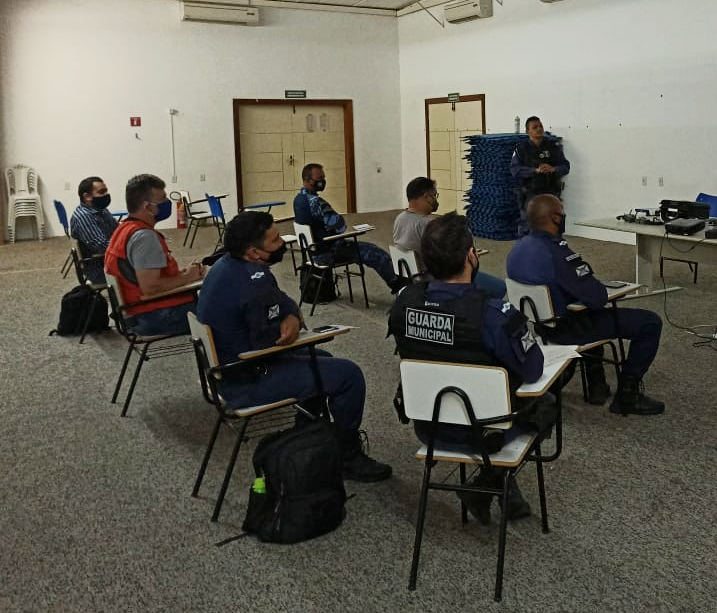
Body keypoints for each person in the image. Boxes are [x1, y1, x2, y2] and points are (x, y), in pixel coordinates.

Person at [196, 211, 391, 482]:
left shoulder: (227, 264)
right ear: (254, 252)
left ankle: (309, 434)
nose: (283, 243)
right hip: (247, 377)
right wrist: (295, 322)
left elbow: (282, 299)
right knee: (348, 375)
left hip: (227, 369)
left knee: (322, 357)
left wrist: (291, 315)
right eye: (275, 240)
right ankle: (347, 455)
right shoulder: (254, 282)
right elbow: (271, 340)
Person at [389, 212, 548, 523]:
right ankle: (485, 485)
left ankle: (494, 484)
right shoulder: (493, 315)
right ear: (471, 256)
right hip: (486, 430)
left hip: (428, 424)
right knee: (546, 404)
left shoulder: (403, 304)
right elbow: (533, 369)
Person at [506, 194, 665, 415]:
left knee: (590, 314)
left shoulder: (518, 249)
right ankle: (627, 396)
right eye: (561, 213)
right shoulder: (558, 254)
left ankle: (597, 387)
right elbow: (597, 297)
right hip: (567, 329)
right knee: (649, 322)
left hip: (540, 326)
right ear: (554, 217)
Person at [104, 173, 203, 336]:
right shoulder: (145, 238)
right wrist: (188, 278)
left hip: (137, 312)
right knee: (225, 308)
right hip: (153, 316)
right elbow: (151, 288)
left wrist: (182, 274)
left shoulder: (124, 229)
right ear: (147, 207)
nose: (167, 203)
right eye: (163, 200)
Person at [293, 163, 403, 294]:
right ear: (308, 180)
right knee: (375, 254)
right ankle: (400, 288)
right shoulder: (316, 202)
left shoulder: (298, 199)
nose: (322, 180)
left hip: (313, 252)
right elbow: (340, 226)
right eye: (320, 177)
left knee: (368, 249)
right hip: (327, 251)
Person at [392, 176, 506, 300]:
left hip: (411, 276)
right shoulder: (429, 225)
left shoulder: (400, 218)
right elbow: (447, 258)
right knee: (500, 288)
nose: (435, 199)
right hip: (434, 277)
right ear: (426, 196)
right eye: (434, 195)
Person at [510, 116, 569, 237]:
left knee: (555, 225)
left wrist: (554, 169)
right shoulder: (521, 149)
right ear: (528, 131)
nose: (539, 129)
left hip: (551, 193)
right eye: (535, 127)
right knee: (528, 227)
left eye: (540, 126)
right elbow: (515, 170)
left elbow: (565, 167)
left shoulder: (553, 146)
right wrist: (535, 171)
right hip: (530, 194)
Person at [70, 175, 118, 282]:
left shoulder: (102, 210)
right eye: (101, 192)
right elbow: (102, 246)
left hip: (109, 260)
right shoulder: (83, 216)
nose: (106, 195)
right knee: (144, 269)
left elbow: (118, 230)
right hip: (99, 268)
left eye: (106, 191)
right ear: (87, 196)